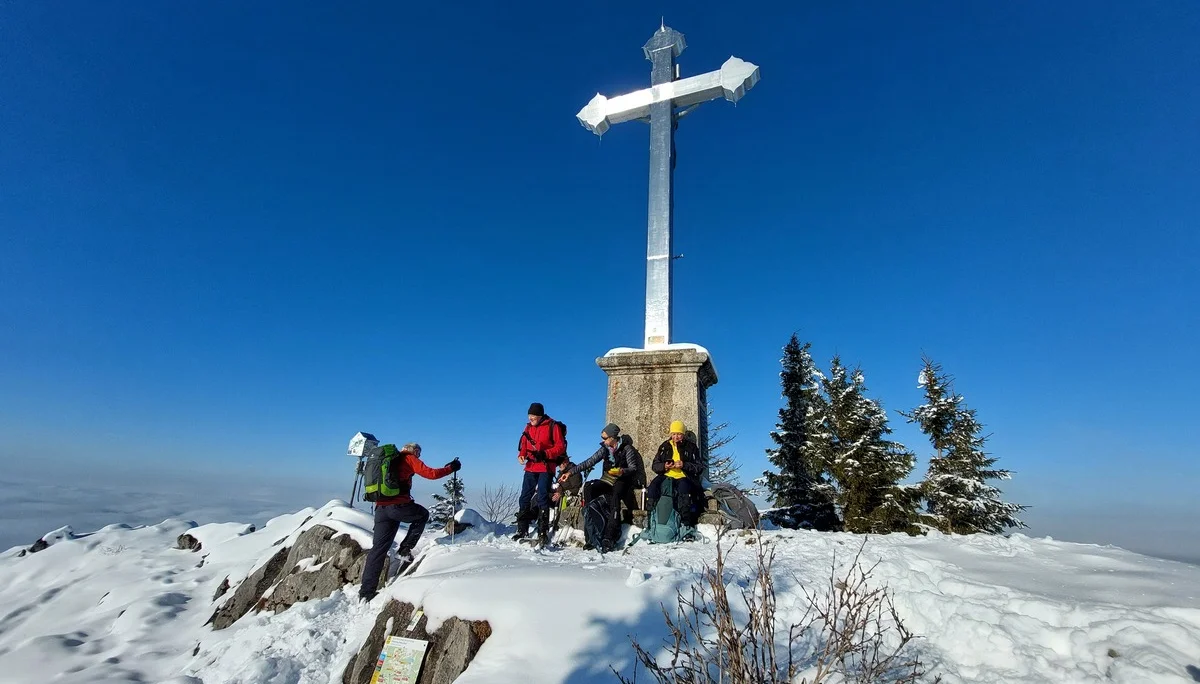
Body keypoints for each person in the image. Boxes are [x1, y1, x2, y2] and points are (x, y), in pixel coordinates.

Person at [359, 442, 460, 602]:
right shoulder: (408, 458)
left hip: (381, 509)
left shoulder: (388, 461)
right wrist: (450, 468)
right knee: (422, 515)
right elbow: (431, 474)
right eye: (418, 452)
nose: (419, 455)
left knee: (378, 549)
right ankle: (404, 550)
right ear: (414, 450)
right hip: (398, 506)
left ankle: (366, 592)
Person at [560, 422, 642, 552]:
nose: (603, 441)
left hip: (622, 479)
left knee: (615, 496)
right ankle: (591, 534)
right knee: (589, 487)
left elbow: (633, 468)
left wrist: (622, 471)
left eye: (605, 438)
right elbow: (589, 461)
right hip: (607, 478)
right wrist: (570, 473)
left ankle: (609, 537)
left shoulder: (627, 449)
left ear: (613, 437)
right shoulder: (604, 449)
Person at [514, 402, 566, 543]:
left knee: (542, 497)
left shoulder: (552, 426)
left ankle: (543, 531)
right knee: (524, 497)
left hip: (546, 467)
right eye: (529, 416)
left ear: (540, 416)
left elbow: (560, 447)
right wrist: (522, 455)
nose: (530, 419)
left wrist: (545, 454)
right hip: (530, 466)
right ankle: (522, 529)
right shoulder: (528, 427)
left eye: (533, 416)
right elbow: (524, 444)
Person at [646, 420, 703, 526]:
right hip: (666, 475)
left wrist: (684, 465)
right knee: (653, 487)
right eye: (673, 434)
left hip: (684, 476)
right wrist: (664, 466)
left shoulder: (691, 447)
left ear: (683, 434)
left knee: (683, 490)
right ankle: (651, 519)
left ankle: (685, 522)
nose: (676, 437)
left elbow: (699, 467)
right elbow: (655, 465)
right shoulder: (664, 446)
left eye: (679, 434)